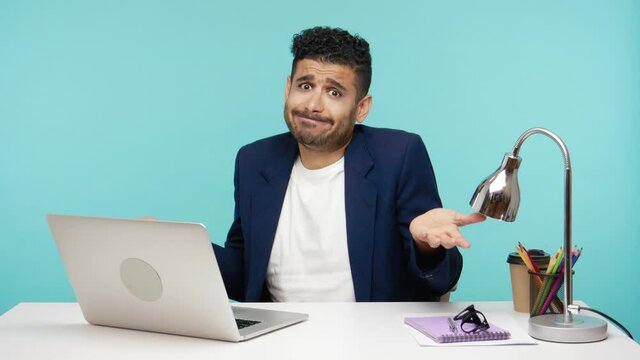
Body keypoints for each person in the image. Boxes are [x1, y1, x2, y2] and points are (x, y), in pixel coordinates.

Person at [212, 26, 485, 302]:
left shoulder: (398, 156)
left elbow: (441, 281)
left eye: (334, 93)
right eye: (305, 86)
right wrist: (179, 249)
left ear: (362, 107)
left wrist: (425, 246)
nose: (313, 105)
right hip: (279, 336)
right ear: (287, 88)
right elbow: (245, 273)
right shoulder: (254, 160)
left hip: (371, 337)